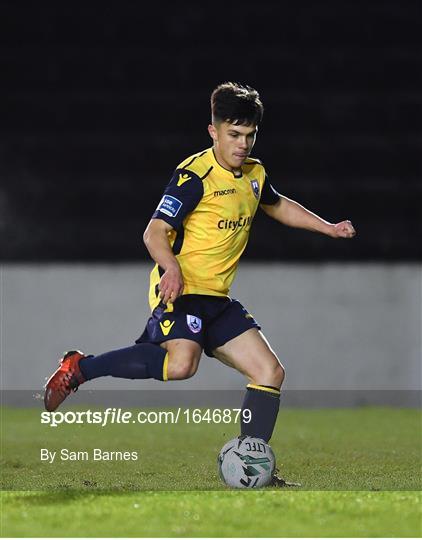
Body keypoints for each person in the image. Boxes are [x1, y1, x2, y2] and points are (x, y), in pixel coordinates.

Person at [44, 82, 356, 486]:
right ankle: (80, 369)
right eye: (234, 135)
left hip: (218, 299)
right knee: (181, 365)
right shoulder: (194, 175)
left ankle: (251, 462)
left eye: (249, 135)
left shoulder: (255, 174)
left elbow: (277, 205)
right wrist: (170, 269)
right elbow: (154, 232)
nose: (242, 144)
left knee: (269, 372)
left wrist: (328, 228)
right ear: (214, 131)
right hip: (182, 289)